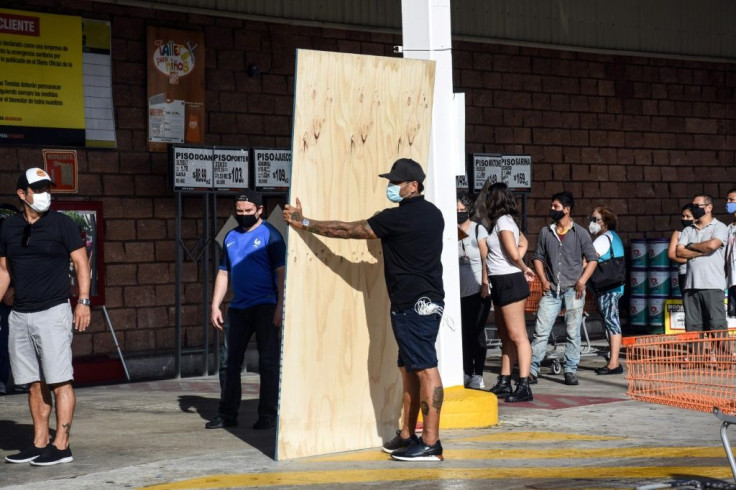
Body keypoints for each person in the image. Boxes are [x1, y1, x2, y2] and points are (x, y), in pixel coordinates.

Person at [282, 158, 445, 462]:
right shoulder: (434, 215)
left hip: (414, 305)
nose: (391, 187)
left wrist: (305, 222)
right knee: (409, 369)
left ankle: (431, 442)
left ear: (413, 185)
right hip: (422, 301)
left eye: (396, 182)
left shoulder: (396, 219)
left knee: (425, 369)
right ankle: (408, 435)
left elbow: (347, 230)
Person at [0, 168, 91, 466]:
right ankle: (39, 442)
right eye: (37, 189)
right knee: (33, 383)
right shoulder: (9, 228)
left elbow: (81, 264)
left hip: (53, 313)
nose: (44, 194)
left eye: (47, 188)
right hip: (19, 315)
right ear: (22, 194)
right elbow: (3, 271)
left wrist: (83, 302)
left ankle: (62, 445)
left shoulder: (62, 224)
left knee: (60, 381)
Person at [206, 190, 285, 431]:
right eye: (239, 212)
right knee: (228, 363)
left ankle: (267, 414)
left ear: (260, 210)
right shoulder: (230, 236)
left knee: (268, 362)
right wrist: (215, 304)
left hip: (265, 305)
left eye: (248, 211)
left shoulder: (271, 236)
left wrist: (280, 307)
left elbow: (281, 273)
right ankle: (227, 414)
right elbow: (223, 272)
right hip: (239, 308)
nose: (243, 215)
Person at [529, 191, 598, 386]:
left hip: (574, 289)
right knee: (541, 330)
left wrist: (582, 281)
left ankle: (570, 369)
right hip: (551, 289)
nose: (552, 209)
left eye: (556, 206)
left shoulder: (581, 233)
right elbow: (538, 257)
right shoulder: (545, 232)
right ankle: (532, 369)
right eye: (552, 206)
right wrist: (542, 280)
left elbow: (592, 259)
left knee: (573, 331)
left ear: (567, 210)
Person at [483, 183, 536, 402]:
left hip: (509, 281)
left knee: (518, 335)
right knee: (505, 335)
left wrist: (523, 267)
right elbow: (523, 242)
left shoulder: (504, 221)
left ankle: (523, 384)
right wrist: (518, 260)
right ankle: (505, 381)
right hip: (501, 280)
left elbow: (514, 251)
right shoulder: (502, 223)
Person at [677, 193, 729, 332]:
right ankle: (696, 354)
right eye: (693, 206)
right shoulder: (688, 229)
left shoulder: (719, 227)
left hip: (712, 285)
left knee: (716, 325)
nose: (693, 209)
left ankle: (721, 354)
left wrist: (691, 245)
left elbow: (712, 245)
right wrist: (701, 251)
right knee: (693, 327)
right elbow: (679, 252)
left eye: (697, 206)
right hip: (690, 286)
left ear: (709, 208)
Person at [457, 192, 491, 390]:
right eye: (456, 211)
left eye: (462, 210)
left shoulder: (479, 230)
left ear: (469, 210)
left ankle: (478, 373)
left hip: (478, 290)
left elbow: (486, 258)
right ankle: (466, 370)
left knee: (477, 332)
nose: (459, 214)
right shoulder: (451, 231)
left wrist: (485, 284)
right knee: (464, 333)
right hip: (458, 292)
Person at [588, 206, 626, 375]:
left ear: (604, 223)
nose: (591, 222)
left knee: (612, 323)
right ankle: (613, 360)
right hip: (613, 286)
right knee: (610, 322)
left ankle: (614, 363)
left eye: (595, 219)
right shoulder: (614, 237)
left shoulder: (603, 239)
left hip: (609, 288)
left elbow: (588, 260)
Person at [0, 203, 20, 395]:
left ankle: (18, 379)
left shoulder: (18, 241)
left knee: (13, 342)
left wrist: (12, 290)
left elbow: (24, 269)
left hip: (16, 301)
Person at [668, 204, 696, 307]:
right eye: (683, 216)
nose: (684, 219)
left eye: (688, 216)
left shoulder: (702, 232)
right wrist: (691, 259)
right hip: (684, 273)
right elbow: (671, 254)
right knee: (688, 305)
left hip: (700, 273)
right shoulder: (678, 233)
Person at [725, 189, 736, 318]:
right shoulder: (729, 228)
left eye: (732, 200)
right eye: (727, 200)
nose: (728, 203)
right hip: (732, 281)